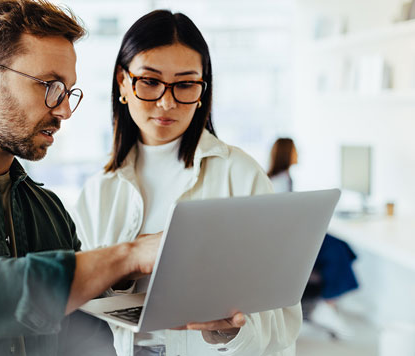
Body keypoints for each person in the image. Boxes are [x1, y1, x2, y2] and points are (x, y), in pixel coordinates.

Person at [0, 1, 165, 355]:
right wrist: (127, 256)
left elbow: (86, 343)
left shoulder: (49, 210)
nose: (63, 110)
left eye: (67, 92)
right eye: (49, 85)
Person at [75, 10, 302, 356]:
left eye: (184, 84)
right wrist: (118, 272)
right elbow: (84, 307)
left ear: (202, 90)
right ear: (123, 81)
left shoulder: (240, 174)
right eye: (149, 81)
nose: (167, 102)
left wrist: (228, 333)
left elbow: (283, 319)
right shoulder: (98, 191)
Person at [267, 138, 359, 339]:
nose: (298, 154)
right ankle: (328, 303)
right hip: (289, 242)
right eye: (295, 151)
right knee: (337, 252)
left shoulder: (284, 178)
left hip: (296, 235)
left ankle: (328, 301)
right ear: (286, 154)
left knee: (343, 247)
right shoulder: (279, 182)